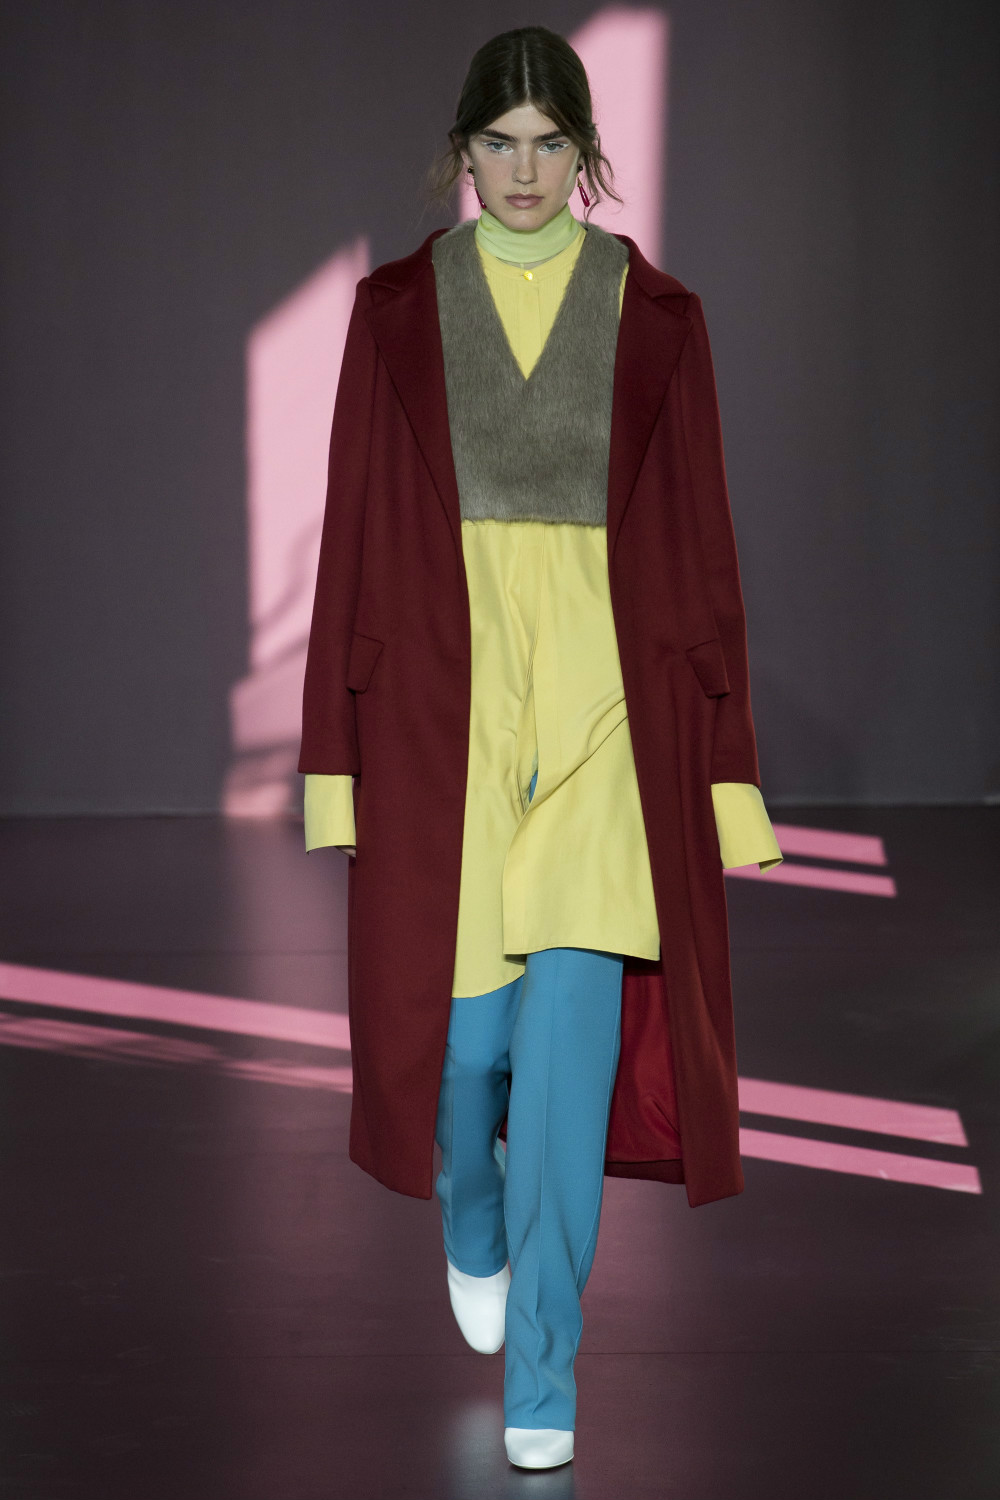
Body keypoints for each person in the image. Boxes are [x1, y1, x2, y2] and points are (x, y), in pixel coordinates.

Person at [298, 25, 783, 1472]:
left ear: (587, 152)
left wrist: (728, 769)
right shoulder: (396, 309)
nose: (523, 171)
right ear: (461, 151)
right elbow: (352, 534)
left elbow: (699, 547)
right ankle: (472, 1217)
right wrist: (335, 758)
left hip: (605, 717)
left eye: (549, 143)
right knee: (465, 1060)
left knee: (565, 1065)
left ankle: (547, 1374)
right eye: (498, 143)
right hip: (444, 716)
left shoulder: (657, 313)